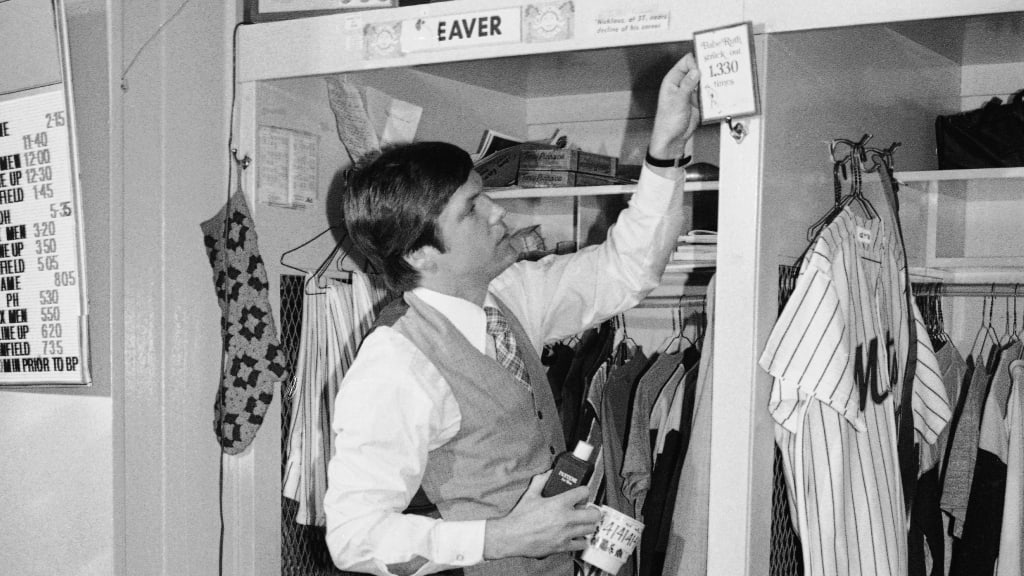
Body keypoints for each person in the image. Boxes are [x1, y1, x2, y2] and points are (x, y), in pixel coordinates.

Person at [323, 53, 702, 576]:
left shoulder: (509, 295)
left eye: (487, 196)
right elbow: (354, 537)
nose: (498, 211)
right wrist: (501, 537)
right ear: (420, 253)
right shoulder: (395, 362)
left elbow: (626, 270)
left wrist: (665, 152)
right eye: (472, 208)